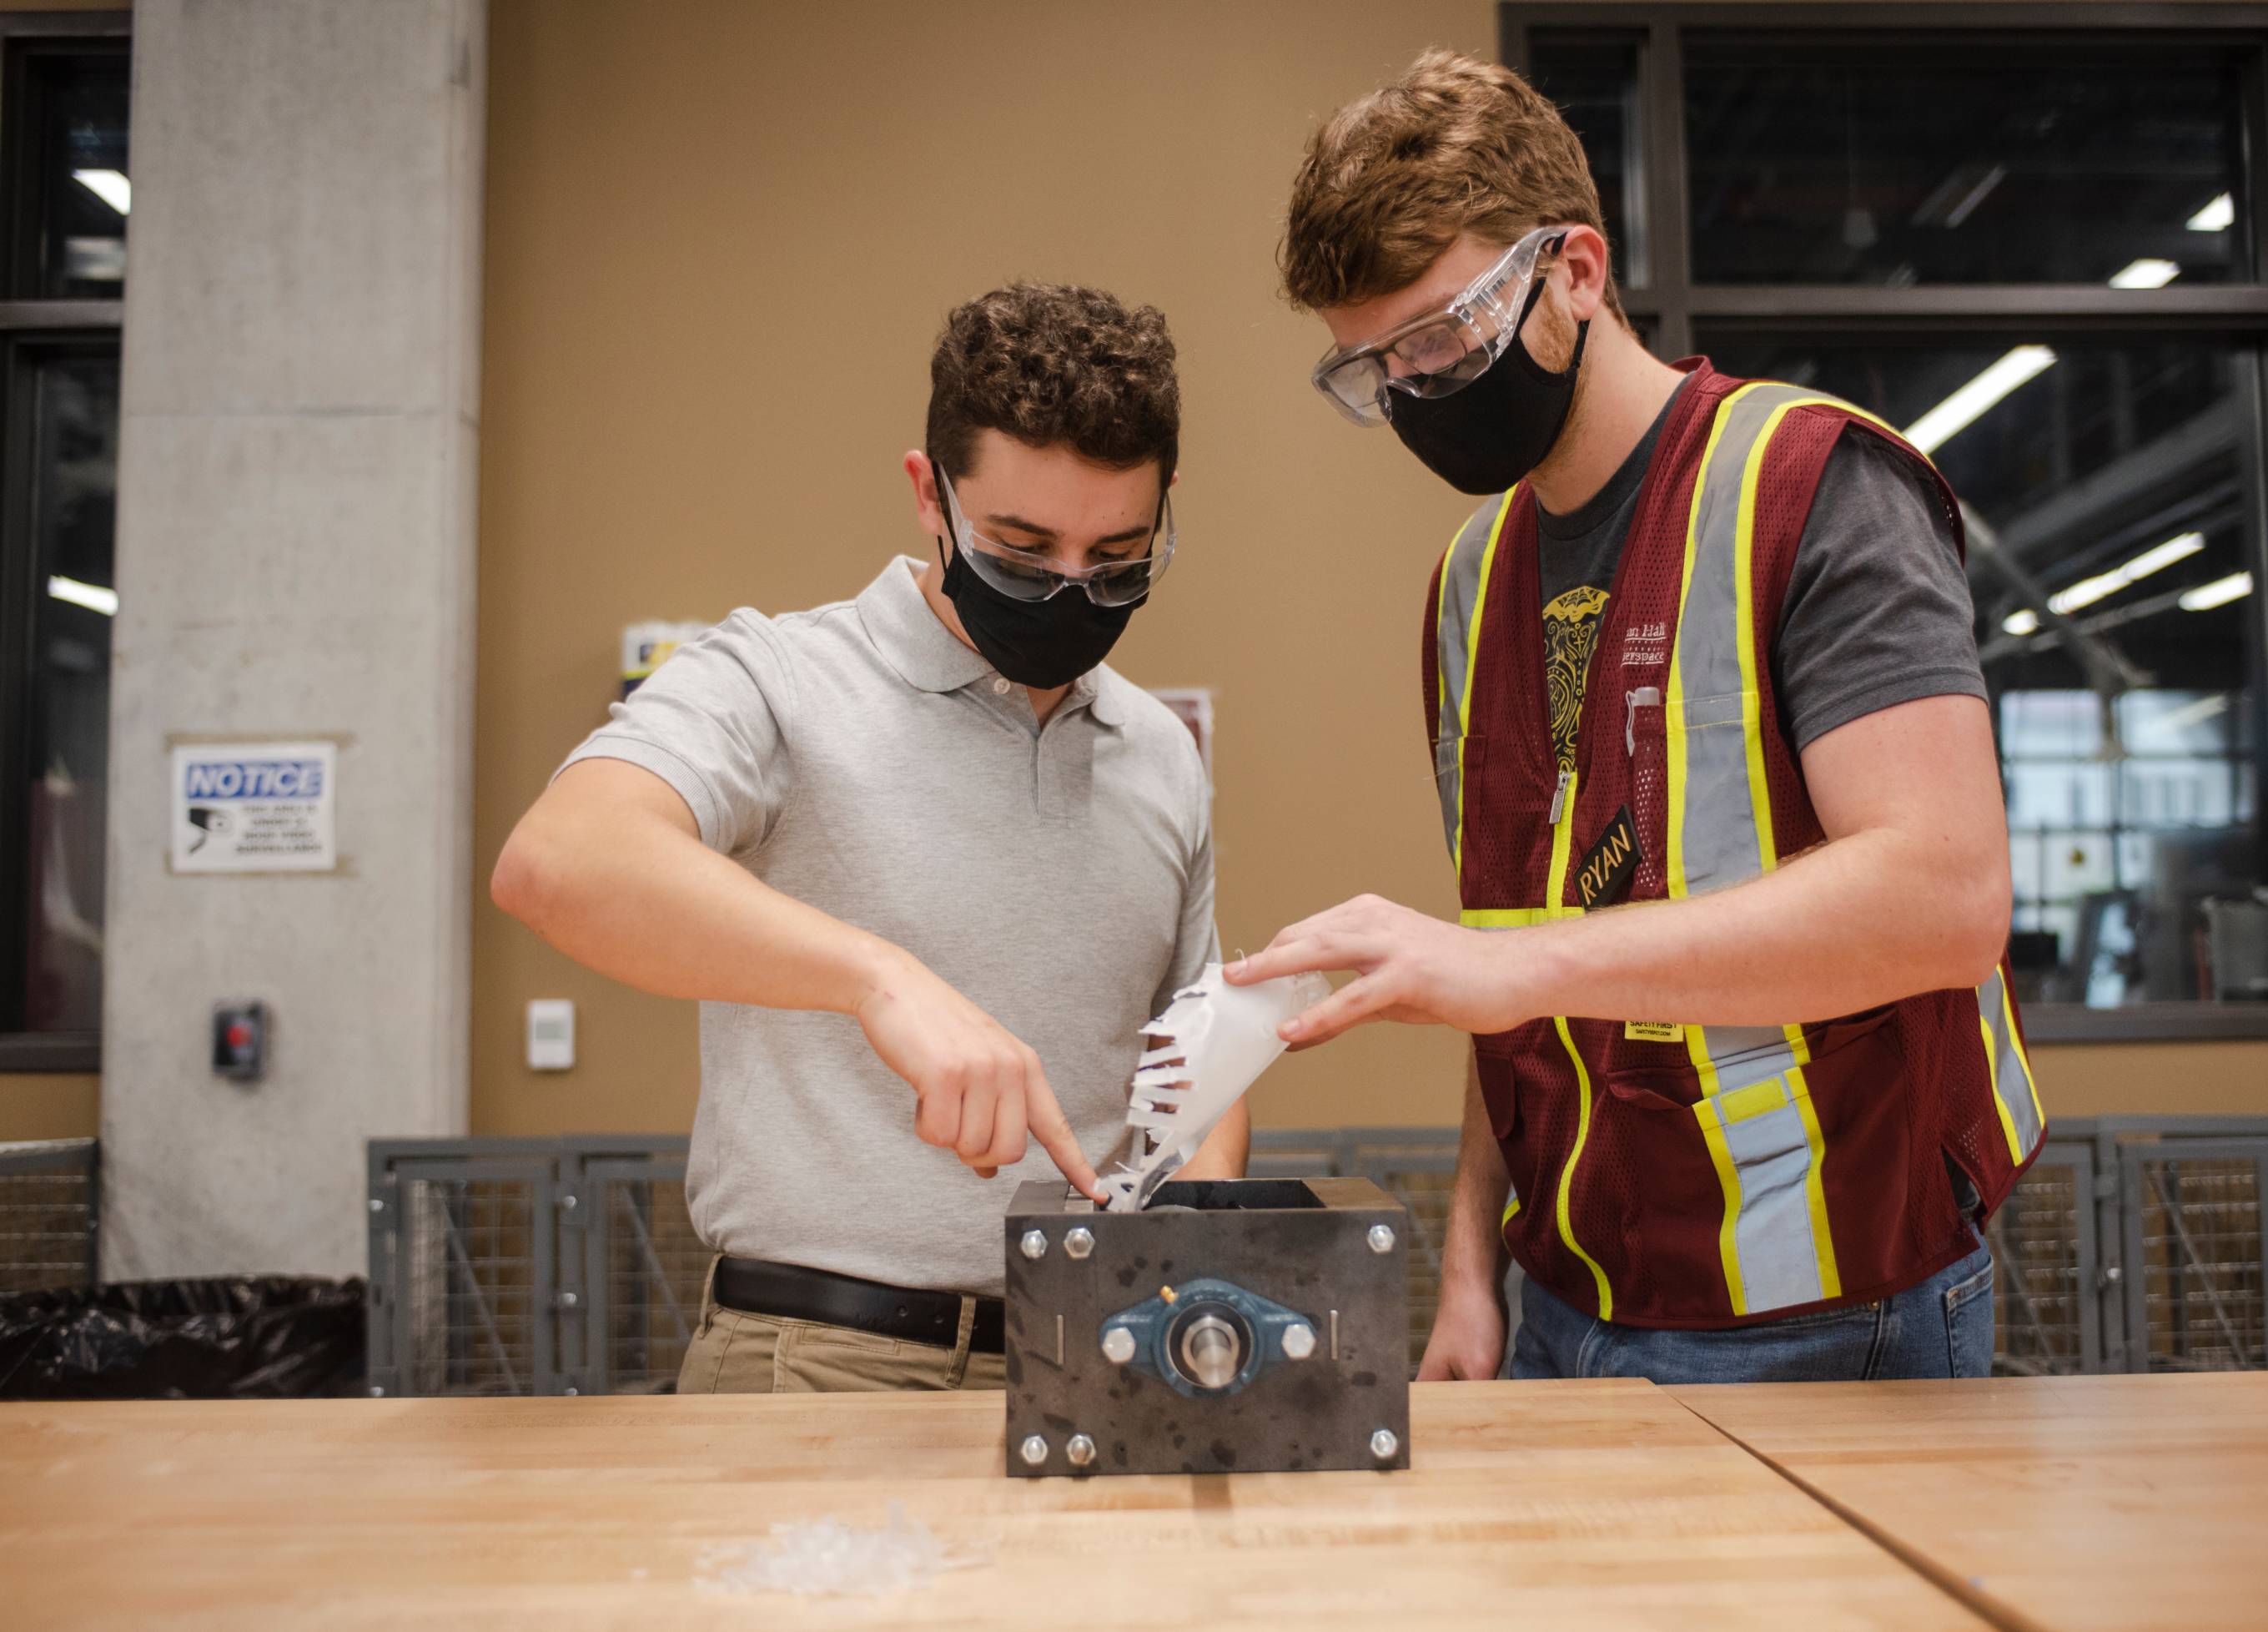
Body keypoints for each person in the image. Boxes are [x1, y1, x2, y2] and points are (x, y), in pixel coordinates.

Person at [1232, 52, 2044, 1384]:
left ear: (1576, 273)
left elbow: (1945, 898)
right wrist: (1466, 1268)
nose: (1416, 386)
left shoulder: (1810, 488)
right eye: (1373, 367)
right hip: (1559, 1293)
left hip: (1825, 1302)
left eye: (1443, 334)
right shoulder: (1468, 583)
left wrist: (1515, 968)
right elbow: (1501, 967)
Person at [490, 282, 1231, 1393]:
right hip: (821, 1360)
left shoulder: (1157, 750)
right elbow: (560, 862)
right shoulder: (777, 679)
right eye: (1023, 552)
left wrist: (1202, 1239)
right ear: (927, 495)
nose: (1071, 592)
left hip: (1095, 1361)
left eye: (1117, 557)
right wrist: (879, 981)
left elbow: (1194, 1048)